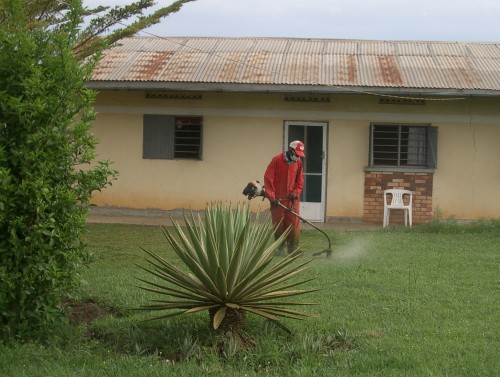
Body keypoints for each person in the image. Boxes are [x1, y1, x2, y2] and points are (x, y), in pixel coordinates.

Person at [264, 140, 305, 254]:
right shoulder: (277, 160)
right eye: (296, 154)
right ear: (290, 150)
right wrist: (272, 197)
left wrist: (296, 192)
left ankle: (292, 249)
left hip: (292, 200)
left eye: (299, 155)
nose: (297, 157)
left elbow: (300, 180)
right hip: (278, 200)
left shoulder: (298, 163)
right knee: (279, 224)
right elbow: (268, 179)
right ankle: (280, 248)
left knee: (293, 224)